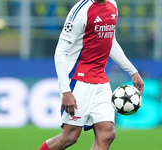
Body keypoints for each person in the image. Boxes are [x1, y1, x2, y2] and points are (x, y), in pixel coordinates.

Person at [39, 0, 144, 149]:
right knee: (70, 137)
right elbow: (60, 52)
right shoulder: (81, 11)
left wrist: (132, 71)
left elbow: (110, 41)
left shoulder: (112, 5)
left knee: (107, 134)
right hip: (78, 80)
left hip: (101, 80)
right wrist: (65, 91)